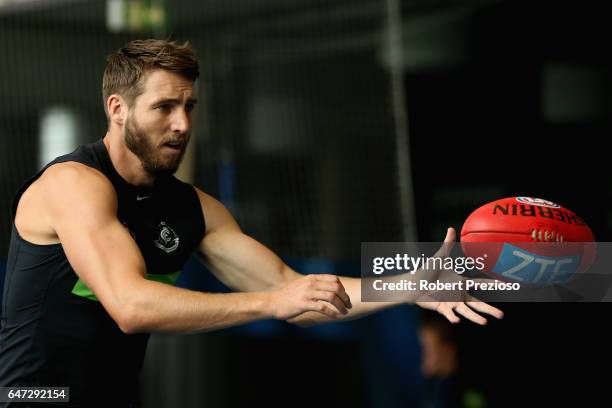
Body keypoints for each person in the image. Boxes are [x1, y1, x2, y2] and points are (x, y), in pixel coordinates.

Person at [0, 39, 503, 407]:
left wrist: (406, 287)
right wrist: (272, 303)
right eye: (164, 108)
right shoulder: (75, 183)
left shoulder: (195, 209)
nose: (183, 124)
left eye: (190, 107)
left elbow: (295, 291)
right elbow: (130, 306)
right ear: (118, 109)